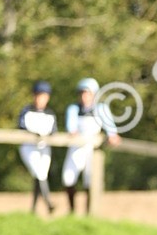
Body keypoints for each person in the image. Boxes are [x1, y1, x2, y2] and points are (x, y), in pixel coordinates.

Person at [62, 77, 121, 213]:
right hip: (76, 148)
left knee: (90, 181)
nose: (84, 96)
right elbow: (71, 127)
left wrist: (112, 135)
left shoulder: (101, 109)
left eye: (88, 93)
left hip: (92, 150)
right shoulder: (74, 109)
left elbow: (111, 128)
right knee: (68, 179)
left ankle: (89, 212)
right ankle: (72, 211)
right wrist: (73, 132)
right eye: (82, 93)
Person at [17, 80, 58, 215]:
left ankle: (33, 209)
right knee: (39, 173)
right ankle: (48, 202)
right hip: (29, 147)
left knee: (40, 175)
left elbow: (53, 131)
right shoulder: (26, 111)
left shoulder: (50, 113)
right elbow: (22, 128)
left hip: (43, 148)